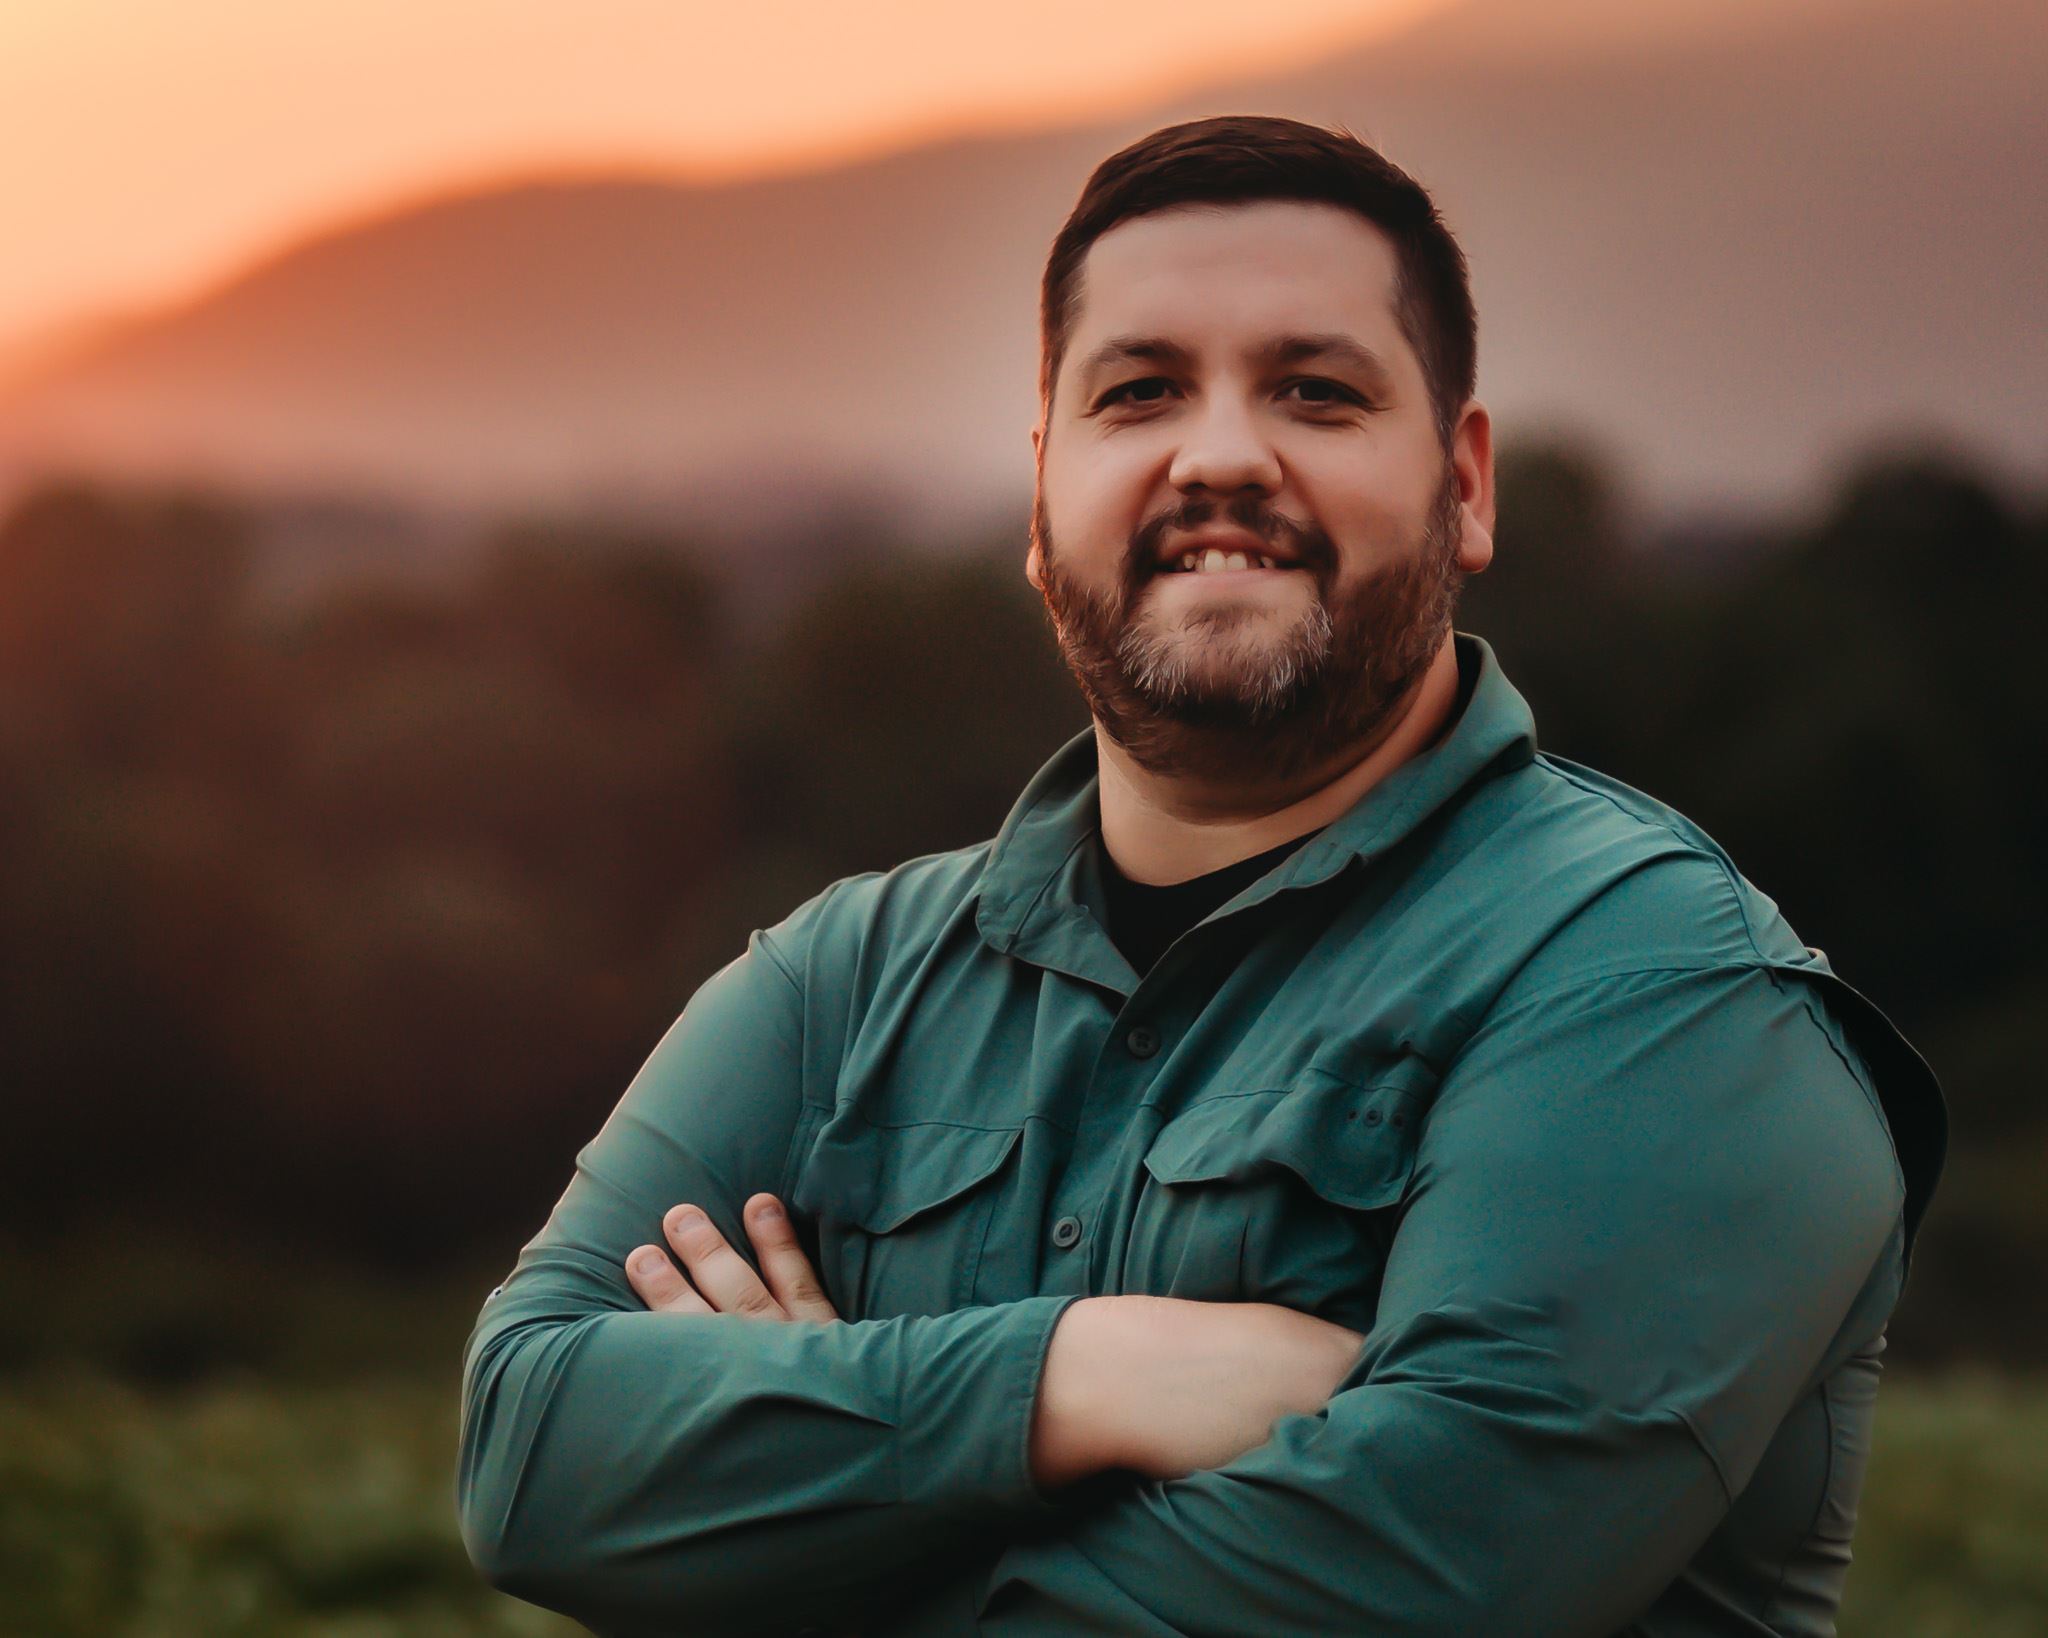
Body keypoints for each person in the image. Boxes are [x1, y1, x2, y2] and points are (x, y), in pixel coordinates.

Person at [458, 114, 1944, 1637]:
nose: (1222, 453)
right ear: (1046, 498)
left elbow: (1405, 1593)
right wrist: (1082, 1373)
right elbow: (526, 1451)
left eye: (1316, 390)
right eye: (1141, 391)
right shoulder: (839, 978)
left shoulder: (1654, 988)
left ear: (1466, 484)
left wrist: (798, 1504)